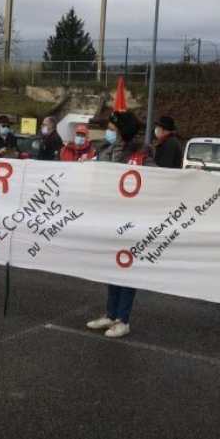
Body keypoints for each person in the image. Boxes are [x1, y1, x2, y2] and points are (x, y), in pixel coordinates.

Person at [86, 110, 154, 338]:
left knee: (126, 267)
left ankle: (123, 319)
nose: (108, 132)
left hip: (131, 220)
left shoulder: (142, 154)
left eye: (112, 129)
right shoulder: (104, 151)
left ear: (122, 132)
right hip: (108, 218)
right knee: (111, 267)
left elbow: (159, 179)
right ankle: (111, 313)